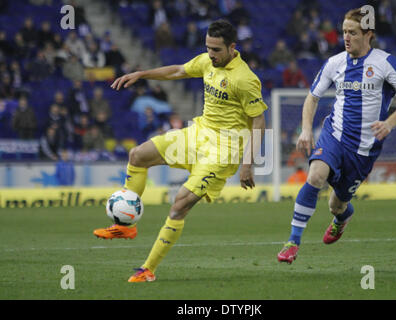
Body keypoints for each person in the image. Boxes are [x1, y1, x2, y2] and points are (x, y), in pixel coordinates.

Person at [93, 20, 268, 282]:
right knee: (137, 156)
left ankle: (147, 269)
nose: (211, 54)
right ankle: (124, 227)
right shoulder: (208, 61)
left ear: (232, 47)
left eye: (216, 50)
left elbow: (259, 121)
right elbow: (177, 71)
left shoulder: (245, 80)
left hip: (224, 150)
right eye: (208, 47)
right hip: (198, 133)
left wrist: (247, 163)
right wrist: (142, 74)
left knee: (180, 205)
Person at [277, 8, 396, 264]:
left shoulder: (385, 62)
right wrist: (306, 129)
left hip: (363, 149)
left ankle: (342, 218)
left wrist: (389, 123)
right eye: (344, 32)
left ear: (368, 35)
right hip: (335, 134)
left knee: (336, 205)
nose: (346, 37)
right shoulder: (335, 62)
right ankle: (292, 242)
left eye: (352, 32)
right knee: (316, 174)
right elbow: (312, 97)